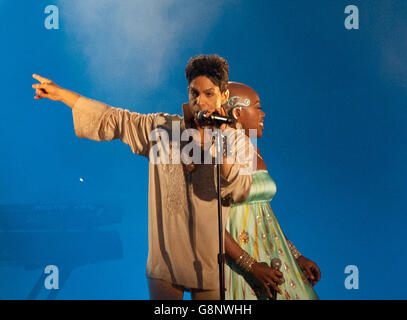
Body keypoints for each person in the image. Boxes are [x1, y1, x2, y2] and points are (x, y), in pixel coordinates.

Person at [31, 55, 255, 300]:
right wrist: (61, 94)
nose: (200, 101)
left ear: (223, 95)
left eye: (209, 94)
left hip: (209, 264)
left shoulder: (238, 141)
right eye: (194, 93)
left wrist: (221, 140)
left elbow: (238, 190)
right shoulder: (162, 129)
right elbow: (114, 118)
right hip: (165, 260)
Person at [223, 82, 321, 300]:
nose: (263, 114)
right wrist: (251, 266)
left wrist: (295, 255)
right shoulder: (218, 154)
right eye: (257, 107)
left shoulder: (254, 152)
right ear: (238, 113)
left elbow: (263, 214)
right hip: (242, 266)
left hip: (275, 257)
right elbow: (208, 222)